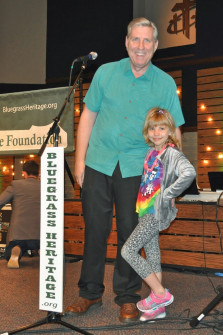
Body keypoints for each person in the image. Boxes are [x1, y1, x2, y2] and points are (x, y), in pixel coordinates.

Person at [66, 17, 185, 322]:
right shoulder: (105, 73)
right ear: (126, 42)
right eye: (136, 39)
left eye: (147, 41)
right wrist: (79, 161)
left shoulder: (164, 82)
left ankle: (128, 297)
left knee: (131, 235)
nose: (141, 46)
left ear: (155, 46)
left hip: (140, 170)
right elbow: (88, 118)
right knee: (94, 229)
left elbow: (174, 133)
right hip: (99, 162)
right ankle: (89, 293)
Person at [121, 107, 196, 322]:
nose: (156, 133)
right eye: (153, 128)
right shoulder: (152, 152)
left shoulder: (172, 153)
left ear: (169, 130)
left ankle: (162, 295)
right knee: (152, 253)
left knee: (128, 251)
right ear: (148, 130)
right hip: (145, 208)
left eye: (162, 128)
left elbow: (189, 172)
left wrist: (169, 193)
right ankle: (158, 306)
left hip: (156, 210)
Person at [0, 160, 40, 269]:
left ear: (24, 173)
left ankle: (16, 249)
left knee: (8, 254)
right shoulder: (45, 187)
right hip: (40, 234)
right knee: (40, 242)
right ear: (38, 173)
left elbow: (1, 201)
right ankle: (42, 249)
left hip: (18, 234)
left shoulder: (16, 185)